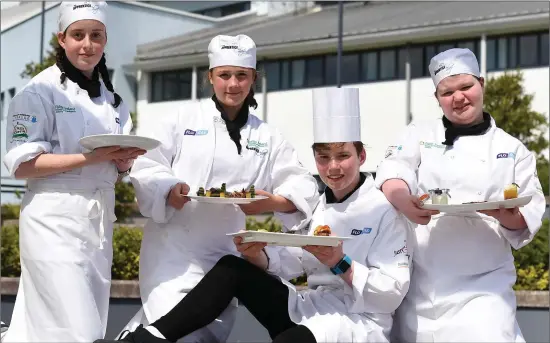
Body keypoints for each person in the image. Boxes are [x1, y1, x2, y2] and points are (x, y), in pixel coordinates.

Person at [96, 87, 412, 343]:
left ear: (362, 156)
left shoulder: (385, 211)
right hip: (309, 309)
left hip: (356, 323)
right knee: (233, 267)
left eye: (343, 156)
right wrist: (260, 257)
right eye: (324, 157)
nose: (333, 167)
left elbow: (391, 296)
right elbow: (297, 262)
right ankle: (150, 339)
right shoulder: (321, 208)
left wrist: (340, 263)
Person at [120, 34, 319, 343]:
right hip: (174, 254)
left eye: (242, 75)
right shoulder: (180, 120)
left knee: (202, 336)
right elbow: (147, 166)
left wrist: (274, 202)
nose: (233, 84)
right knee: (178, 333)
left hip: (225, 259)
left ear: (253, 78)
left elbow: (302, 182)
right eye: (225, 75)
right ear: (210, 77)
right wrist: (170, 189)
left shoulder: (267, 136)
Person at [375, 48, 546, 342]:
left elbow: (529, 215)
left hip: (485, 284)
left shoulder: (513, 149)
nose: (458, 98)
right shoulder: (419, 133)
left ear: (482, 83)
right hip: (423, 286)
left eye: (466, 87)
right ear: (437, 98)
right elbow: (393, 171)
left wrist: (507, 217)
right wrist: (405, 201)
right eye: (447, 92)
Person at [2, 2, 146, 342]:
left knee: (51, 326)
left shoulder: (113, 100)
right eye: (78, 35)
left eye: (96, 36)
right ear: (61, 39)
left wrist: (124, 160)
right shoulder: (37, 91)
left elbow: (117, 165)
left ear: (105, 41)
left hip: (97, 225)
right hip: (52, 221)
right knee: (79, 330)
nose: (87, 44)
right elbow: (23, 165)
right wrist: (92, 158)